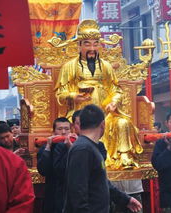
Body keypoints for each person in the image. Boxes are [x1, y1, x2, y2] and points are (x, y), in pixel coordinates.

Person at [55, 19, 142, 169]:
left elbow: (117, 90)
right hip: (79, 116)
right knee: (81, 128)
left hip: (104, 114)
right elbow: (60, 93)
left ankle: (123, 158)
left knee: (123, 123)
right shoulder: (69, 67)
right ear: (79, 45)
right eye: (87, 44)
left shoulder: (106, 66)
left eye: (96, 44)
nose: (92, 48)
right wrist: (74, 96)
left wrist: (114, 101)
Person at [63, 104, 142, 213]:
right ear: (103, 124)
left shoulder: (91, 147)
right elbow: (78, 192)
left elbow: (101, 181)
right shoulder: (83, 149)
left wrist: (125, 200)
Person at [37, 117, 75, 213]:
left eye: (66, 129)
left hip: (71, 193)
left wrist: (71, 148)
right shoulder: (46, 147)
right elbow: (43, 170)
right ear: (53, 131)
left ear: (71, 130)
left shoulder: (76, 146)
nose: (63, 132)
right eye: (59, 129)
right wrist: (48, 148)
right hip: (52, 193)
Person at [0, 146, 35, 213]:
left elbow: (22, 204)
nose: (6, 139)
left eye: (7, 136)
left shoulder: (13, 162)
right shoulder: (12, 161)